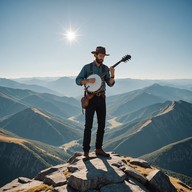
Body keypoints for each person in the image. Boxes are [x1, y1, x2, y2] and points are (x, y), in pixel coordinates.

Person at [76, 46, 115, 158]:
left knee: (102, 125)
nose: (102, 58)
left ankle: (98, 149)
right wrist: (88, 80)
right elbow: (78, 80)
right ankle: (86, 151)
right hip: (91, 98)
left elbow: (110, 83)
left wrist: (112, 74)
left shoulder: (105, 69)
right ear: (95, 55)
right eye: (100, 55)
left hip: (101, 98)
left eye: (103, 56)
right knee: (88, 125)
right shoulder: (87, 67)